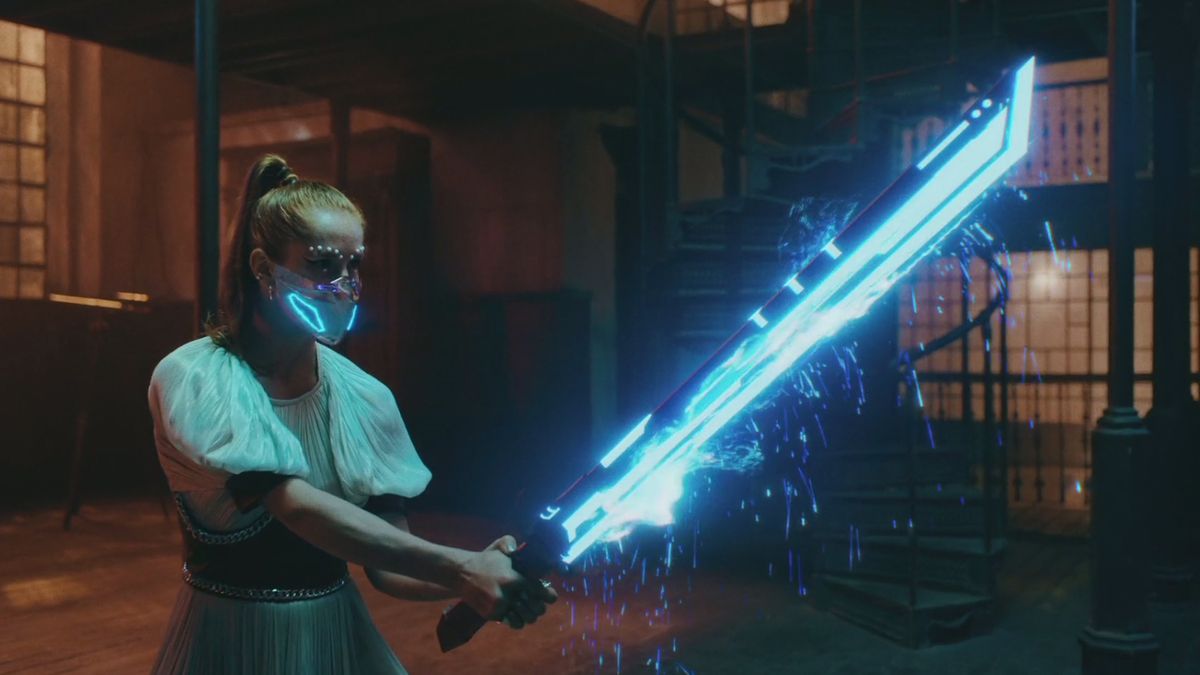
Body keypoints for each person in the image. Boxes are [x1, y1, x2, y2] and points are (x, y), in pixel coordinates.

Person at [148, 154, 555, 674]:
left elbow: (390, 566)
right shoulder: (197, 378)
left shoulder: (363, 397)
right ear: (263, 268)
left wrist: (490, 570)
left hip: (334, 635)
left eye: (353, 264)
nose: (344, 283)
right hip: (230, 640)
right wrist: (461, 569)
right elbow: (293, 505)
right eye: (322, 264)